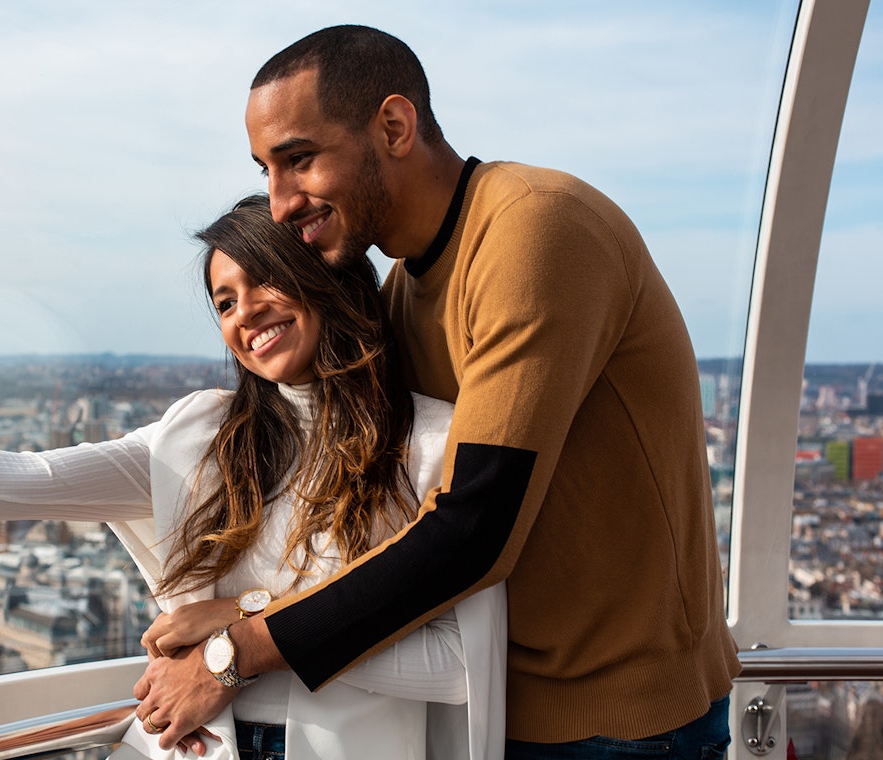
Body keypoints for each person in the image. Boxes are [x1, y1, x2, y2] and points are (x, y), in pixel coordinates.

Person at [136, 25, 742, 759]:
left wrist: (236, 651)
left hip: (620, 723)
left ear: (394, 126)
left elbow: (470, 528)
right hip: (489, 709)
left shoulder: (535, 229)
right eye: (266, 169)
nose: (280, 201)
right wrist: (243, 605)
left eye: (299, 160)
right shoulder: (403, 293)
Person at [0, 195, 507, 760]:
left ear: (325, 278)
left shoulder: (434, 445)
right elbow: (33, 479)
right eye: (224, 300)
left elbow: (456, 668)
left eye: (266, 280)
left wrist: (239, 626)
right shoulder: (199, 437)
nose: (245, 311)